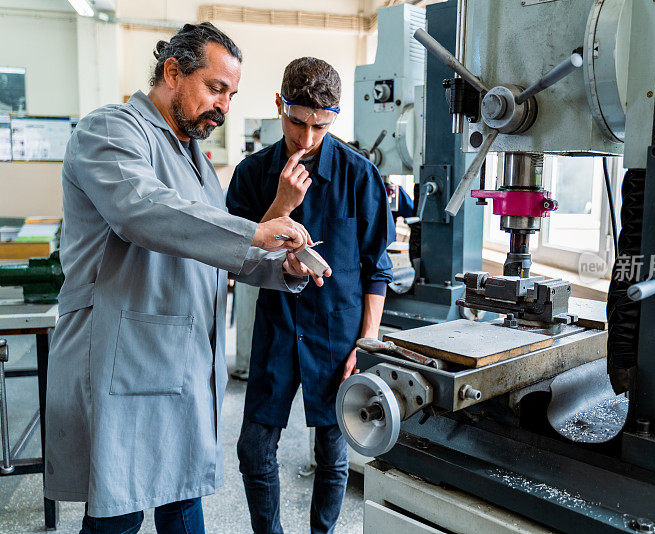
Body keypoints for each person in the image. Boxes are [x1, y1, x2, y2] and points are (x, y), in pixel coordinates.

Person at [44, 23, 329, 534]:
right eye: (216, 88)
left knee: (181, 501)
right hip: (123, 357)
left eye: (232, 95)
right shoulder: (111, 131)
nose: (224, 106)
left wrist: (281, 266)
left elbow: (217, 249)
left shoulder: (196, 160)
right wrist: (257, 231)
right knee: (119, 514)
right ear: (173, 72)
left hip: (182, 362)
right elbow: (142, 212)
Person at [226, 57, 395, 534]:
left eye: (321, 125)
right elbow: (234, 256)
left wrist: (366, 341)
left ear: (335, 117)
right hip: (277, 327)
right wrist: (281, 205)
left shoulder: (360, 176)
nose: (306, 138)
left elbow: (376, 267)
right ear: (279, 105)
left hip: (337, 333)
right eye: (296, 122)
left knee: (332, 451)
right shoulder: (252, 175)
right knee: (254, 447)